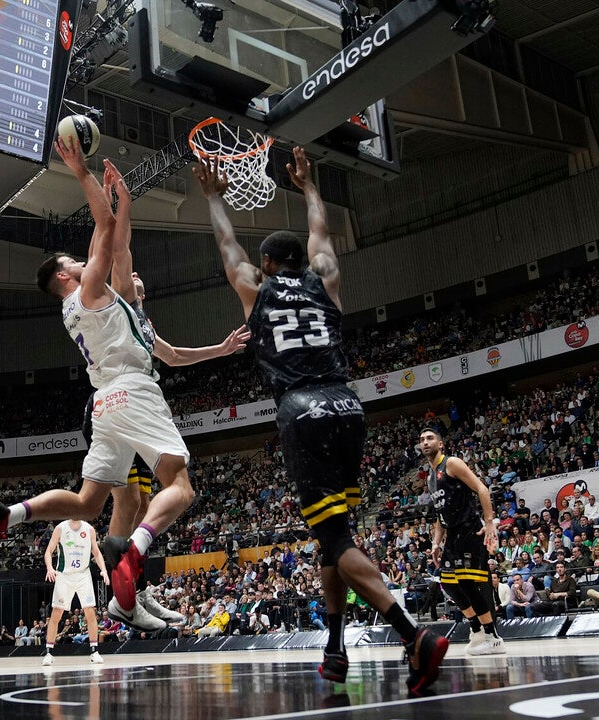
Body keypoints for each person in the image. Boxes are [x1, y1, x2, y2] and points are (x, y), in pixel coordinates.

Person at [194, 148, 448, 696]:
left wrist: (214, 196)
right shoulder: (324, 280)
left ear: (266, 266)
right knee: (334, 537)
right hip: (347, 405)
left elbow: (225, 245)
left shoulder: (254, 289)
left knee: (333, 536)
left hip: (300, 407)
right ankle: (335, 647)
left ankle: (412, 635)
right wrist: (309, 187)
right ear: (302, 263)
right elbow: (322, 235)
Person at [0, 144, 210, 631]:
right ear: (64, 274)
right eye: (74, 260)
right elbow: (106, 232)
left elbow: (119, 245)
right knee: (179, 487)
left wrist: (124, 203)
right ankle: (132, 550)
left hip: (104, 403)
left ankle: (7, 515)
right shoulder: (89, 291)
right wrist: (82, 173)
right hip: (132, 391)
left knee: (86, 503)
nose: (82, 261)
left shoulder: (84, 307)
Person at [80, 268, 245, 628]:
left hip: (128, 407)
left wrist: (221, 349)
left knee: (141, 502)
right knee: (129, 501)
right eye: (129, 274)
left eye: (140, 275)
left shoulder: (143, 321)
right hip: (111, 406)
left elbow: (172, 356)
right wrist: (120, 209)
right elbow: (119, 251)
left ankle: (134, 592)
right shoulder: (117, 303)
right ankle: (122, 599)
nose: (136, 273)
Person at [419, 428, 504, 654]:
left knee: (467, 583)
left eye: (430, 438)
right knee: (447, 583)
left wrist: (489, 522)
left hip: (470, 529)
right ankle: (476, 630)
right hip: (453, 535)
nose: (425, 442)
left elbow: (481, 488)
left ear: (441, 444)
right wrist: (436, 543)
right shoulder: (430, 477)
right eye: (422, 440)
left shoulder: (452, 463)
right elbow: (440, 516)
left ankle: (492, 636)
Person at [41, 519, 109, 666]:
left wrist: (103, 569)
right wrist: (49, 568)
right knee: (56, 613)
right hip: (64, 575)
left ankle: (94, 651)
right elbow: (48, 551)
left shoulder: (89, 529)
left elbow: (96, 552)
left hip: (83, 575)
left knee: (90, 611)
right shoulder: (60, 528)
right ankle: (48, 652)